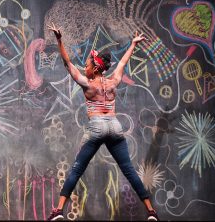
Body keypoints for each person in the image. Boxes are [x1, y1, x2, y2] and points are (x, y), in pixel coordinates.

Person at [46, 23, 159, 221]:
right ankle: (151, 212)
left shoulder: (87, 83)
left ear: (96, 67)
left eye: (88, 65)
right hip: (115, 126)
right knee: (129, 170)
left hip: (97, 126)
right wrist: (133, 44)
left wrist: (59, 40)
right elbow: (123, 63)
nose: (85, 67)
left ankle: (58, 211)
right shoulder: (113, 81)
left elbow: (67, 63)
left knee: (77, 169)